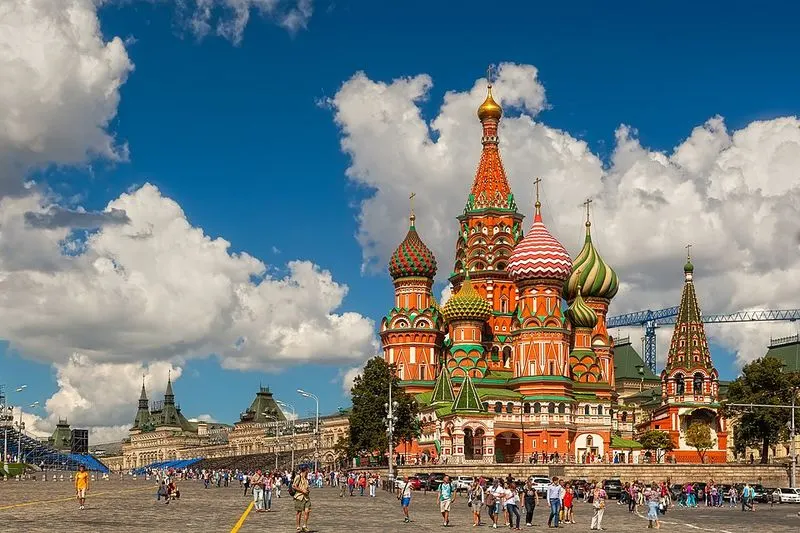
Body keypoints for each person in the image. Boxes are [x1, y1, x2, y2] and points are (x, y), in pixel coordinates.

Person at [292, 465, 312, 533]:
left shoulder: (306, 478)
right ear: (305, 469)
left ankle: (304, 526)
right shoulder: (298, 477)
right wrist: (302, 491)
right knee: (299, 512)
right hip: (299, 497)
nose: (309, 470)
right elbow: (294, 486)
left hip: (306, 497)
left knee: (307, 511)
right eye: (308, 469)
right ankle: (298, 527)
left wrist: (307, 490)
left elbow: (306, 487)